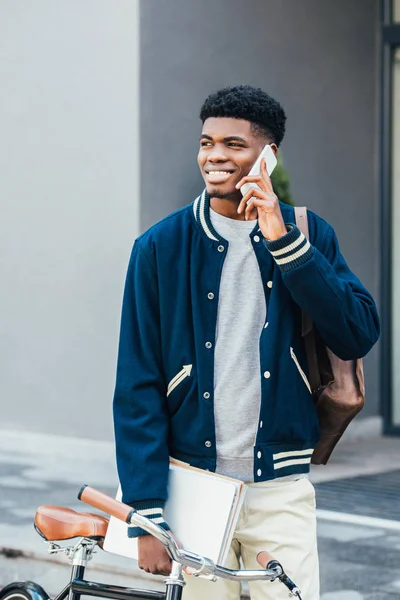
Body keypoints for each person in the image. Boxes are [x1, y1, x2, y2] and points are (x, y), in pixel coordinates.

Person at [113, 85, 380, 600]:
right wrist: (145, 514)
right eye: (206, 142)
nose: (214, 155)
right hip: (191, 485)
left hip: (279, 492)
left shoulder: (308, 234)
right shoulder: (158, 248)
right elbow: (137, 384)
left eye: (233, 144)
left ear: (268, 155)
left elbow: (357, 331)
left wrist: (285, 242)